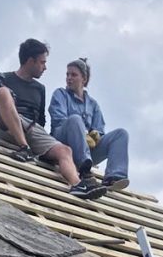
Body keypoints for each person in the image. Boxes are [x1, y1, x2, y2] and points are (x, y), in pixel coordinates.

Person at [0, 39, 106, 200]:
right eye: (42, 62)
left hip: (31, 128)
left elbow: (40, 122)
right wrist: (10, 108)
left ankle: (78, 185)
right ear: (30, 61)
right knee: (3, 93)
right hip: (7, 126)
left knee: (65, 150)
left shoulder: (40, 89)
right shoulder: (4, 79)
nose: (45, 67)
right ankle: (23, 147)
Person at [49, 58, 129, 191]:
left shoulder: (93, 105)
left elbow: (99, 130)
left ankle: (114, 176)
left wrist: (95, 136)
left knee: (121, 134)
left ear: (84, 79)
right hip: (63, 143)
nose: (69, 78)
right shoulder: (60, 94)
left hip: (87, 150)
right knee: (75, 119)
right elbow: (59, 120)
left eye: (73, 75)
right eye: (67, 74)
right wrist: (82, 133)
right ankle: (84, 170)